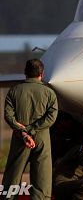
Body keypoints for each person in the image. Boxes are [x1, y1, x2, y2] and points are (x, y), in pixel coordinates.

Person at [2, 58, 58, 200]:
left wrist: (24, 132)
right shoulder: (49, 93)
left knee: (12, 179)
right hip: (42, 138)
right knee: (42, 182)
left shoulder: (14, 91)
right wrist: (33, 130)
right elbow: (51, 117)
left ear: (25, 73)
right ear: (42, 73)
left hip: (20, 138)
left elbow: (8, 116)